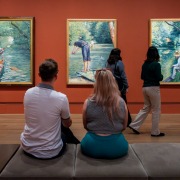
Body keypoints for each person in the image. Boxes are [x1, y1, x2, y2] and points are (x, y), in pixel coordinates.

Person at [21, 59, 79, 159]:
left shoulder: (28, 93)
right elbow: (67, 124)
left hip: (27, 147)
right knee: (64, 130)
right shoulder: (61, 98)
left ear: (39, 75)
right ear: (56, 76)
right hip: (51, 151)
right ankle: (79, 146)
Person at [81, 69, 128, 159]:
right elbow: (124, 127)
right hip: (118, 147)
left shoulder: (88, 102)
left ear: (96, 84)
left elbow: (85, 126)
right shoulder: (121, 102)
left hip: (91, 146)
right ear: (113, 83)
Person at [129, 46, 165, 137]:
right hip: (153, 88)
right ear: (156, 54)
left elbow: (142, 77)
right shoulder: (156, 64)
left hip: (145, 88)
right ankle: (155, 132)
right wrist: (161, 76)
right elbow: (159, 77)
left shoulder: (145, 64)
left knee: (146, 107)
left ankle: (134, 125)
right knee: (156, 109)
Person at [107, 48, 132, 126]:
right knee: (123, 102)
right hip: (119, 85)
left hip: (110, 85)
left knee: (112, 102)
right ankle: (127, 121)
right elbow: (123, 76)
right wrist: (126, 86)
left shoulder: (108, 63)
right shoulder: (119, 63)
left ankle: (113, 120)